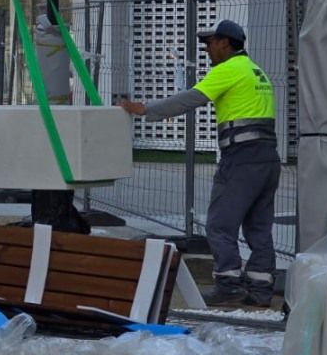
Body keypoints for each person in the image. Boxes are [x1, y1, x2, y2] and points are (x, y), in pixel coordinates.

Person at [117, 19, 280, 307]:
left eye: (210, 42)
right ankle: (260, 289)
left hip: (241, 158)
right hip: (267, 158)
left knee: (219, 224)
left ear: (226, 44)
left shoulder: (228, 69)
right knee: (258, 227)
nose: (207, 48)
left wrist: (145, 109)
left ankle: (229, 286)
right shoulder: (256, 71)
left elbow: (190, 99)